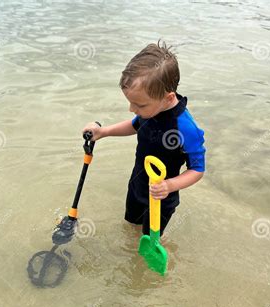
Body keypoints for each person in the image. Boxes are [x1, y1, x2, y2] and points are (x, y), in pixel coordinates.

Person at [82, 41, 206, 236]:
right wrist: (103, 132)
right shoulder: (150, 109)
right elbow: (134, 125)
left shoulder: (186, 128)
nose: (133, 109)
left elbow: (197, 170)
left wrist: (170, 185)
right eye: (131, 103)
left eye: (139, 105)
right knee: (130, 228)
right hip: (137, 185)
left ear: (168, 97)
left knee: (149, 240)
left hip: (161, 199)